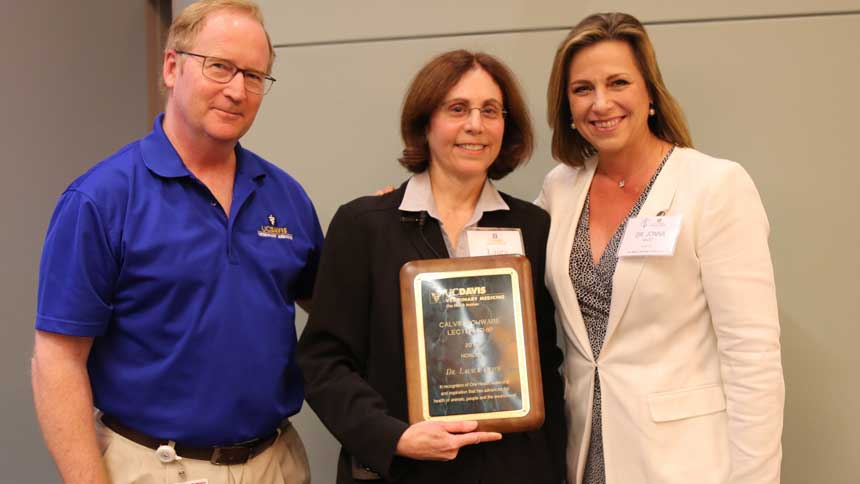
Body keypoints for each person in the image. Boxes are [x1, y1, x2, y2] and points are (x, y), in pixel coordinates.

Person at [31, 1, 321, 483]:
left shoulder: (285, 196)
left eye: (253, 76)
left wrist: (378, 226)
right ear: (172, 66)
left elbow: (335, 309)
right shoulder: (101, 199)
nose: (236, 90)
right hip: (157, 466)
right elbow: (57, 362)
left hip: (277, 463)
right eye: (220, 67)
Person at [536, 12, 785, 484]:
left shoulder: (714, 185)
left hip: (684, 462)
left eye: (618, 82)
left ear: (650, 91)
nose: (601, 102)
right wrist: (420, 195)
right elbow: (497, 259)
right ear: (566, 104)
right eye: (582, 88)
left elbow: (752, 356)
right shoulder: (559, 190)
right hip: (586, 453)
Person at [297, 50, 566, 483]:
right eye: (457, 109)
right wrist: (393, 438)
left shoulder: (532, 227)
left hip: (512, 469)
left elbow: (547, 366)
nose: (475, 125)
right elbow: (323, 361)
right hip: (403, 470)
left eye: (490, 111)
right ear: (426, 121)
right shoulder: (364, 226)